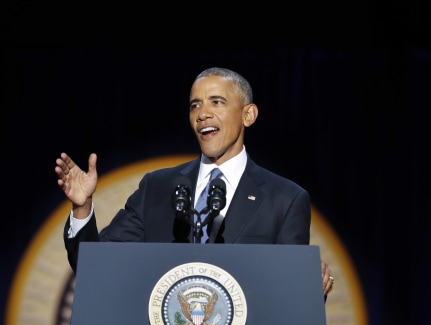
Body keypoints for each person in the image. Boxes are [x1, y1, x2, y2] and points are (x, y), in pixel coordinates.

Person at [55, 67, 334, 297]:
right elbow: (96, 267)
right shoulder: (157, 187)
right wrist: (82, 208)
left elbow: (289, 298)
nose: (202, 114)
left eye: (217, 102)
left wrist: (308, 289)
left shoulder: (285, 199)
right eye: (195, 105)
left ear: (248, 115)